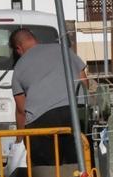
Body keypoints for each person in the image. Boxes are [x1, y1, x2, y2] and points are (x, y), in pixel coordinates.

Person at [9, 28, 87, 166]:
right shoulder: (63, 50)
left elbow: (22, 110)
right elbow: (83, 81)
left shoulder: (19, 67)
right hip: (77, 113)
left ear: (18, 49)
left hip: (42, 121)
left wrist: (19, 140)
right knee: (79, 164)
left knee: (47, 171)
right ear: (36, 40)